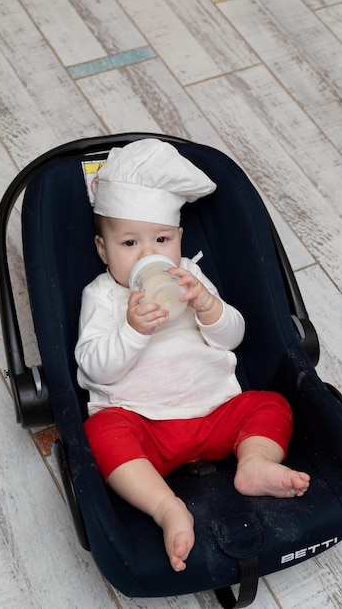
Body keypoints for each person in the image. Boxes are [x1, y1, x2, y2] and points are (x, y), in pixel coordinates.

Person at [75, 139, 310, 573]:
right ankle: (167, 507)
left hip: (216, 413)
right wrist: (132, 331)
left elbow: (232, 338)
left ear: (179, 240)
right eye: (129, 243)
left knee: (269, 404)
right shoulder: (104, 296)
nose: (148, 254)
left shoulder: (191, 277)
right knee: (100, 432)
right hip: (144, 424)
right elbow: (93, 368)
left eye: (161, 239)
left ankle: (254, 463)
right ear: (103, 249)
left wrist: (208, 307)